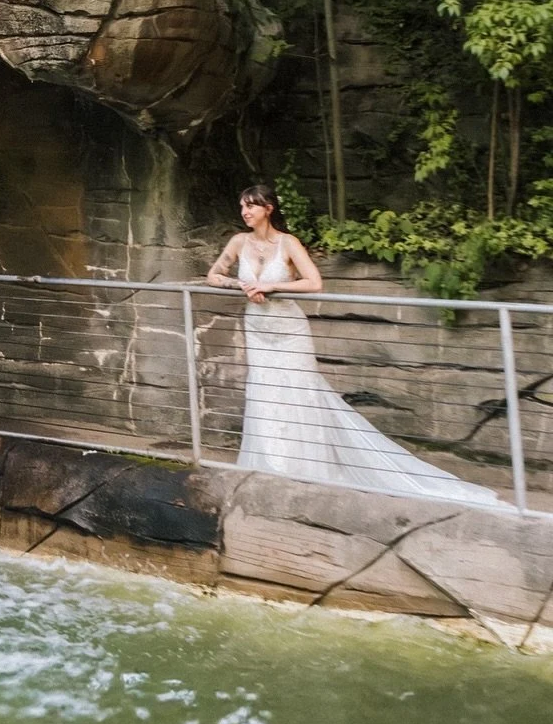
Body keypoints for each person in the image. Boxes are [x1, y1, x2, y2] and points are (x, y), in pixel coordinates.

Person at [205, 182, 501, 507]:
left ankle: (306, 468)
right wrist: (241, 284)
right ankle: (271, 468)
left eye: (251, 206)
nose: (245, 212)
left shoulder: (288, 243)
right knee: (264, 391)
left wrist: (269, 285)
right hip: (257, 327)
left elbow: (315, 282)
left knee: (298, 393)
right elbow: (214, 274)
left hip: (288, 328)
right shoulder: (238, 241)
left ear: (268, 208)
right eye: (242, 206)